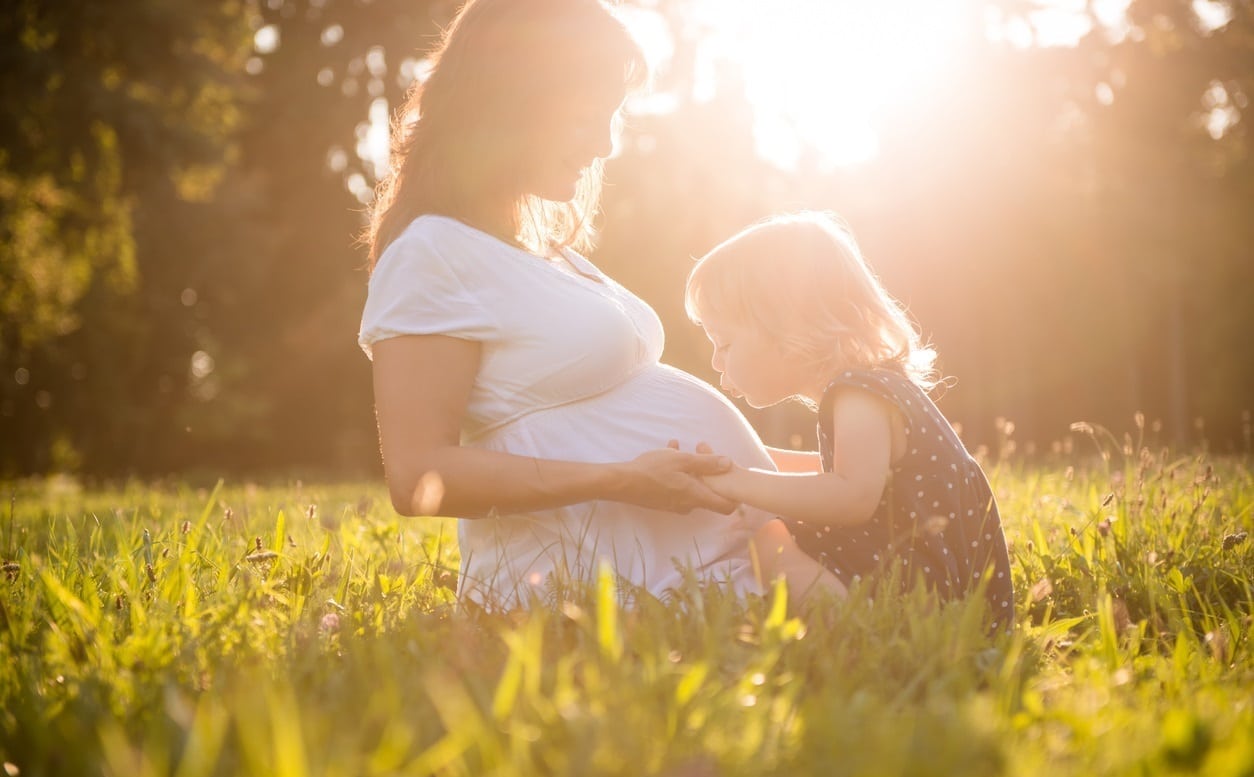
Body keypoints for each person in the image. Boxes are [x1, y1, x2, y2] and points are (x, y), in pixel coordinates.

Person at [357, 0, 776, 608]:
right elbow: (418, 476)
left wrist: (823, 468)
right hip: (588, 594)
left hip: (702, 572)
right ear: (509, 106)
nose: (605, 145)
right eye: (585, 120)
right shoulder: (432, 251)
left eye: (611, 119)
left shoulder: (543, 250)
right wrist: (623, 481)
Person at [685, 211, 1015, 631]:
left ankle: (859, 630)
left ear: (785, 328)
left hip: (918, 596)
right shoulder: (873, 385)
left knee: (768, 540)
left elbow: (852, 494)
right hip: (936, 584)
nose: (715, 360)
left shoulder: (857, 392)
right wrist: (753, 458)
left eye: (724, 343)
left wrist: (737, 482)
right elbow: (854, 474)